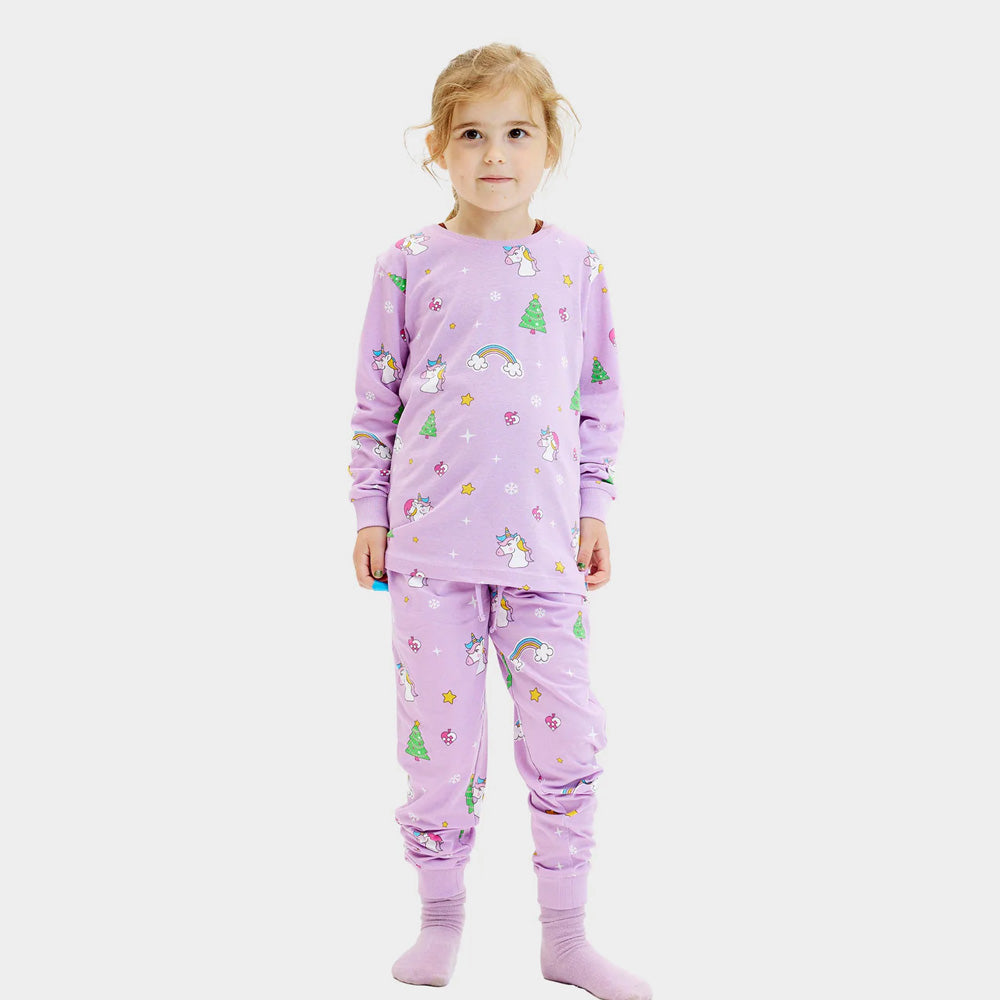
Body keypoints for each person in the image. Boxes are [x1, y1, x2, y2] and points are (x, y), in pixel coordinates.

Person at [347, 43, 651, 1000]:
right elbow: (375, 402)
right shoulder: (408, 264)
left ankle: (566, 936)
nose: (494, 154)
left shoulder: (577, 265)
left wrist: (595, 506)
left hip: (547, 553)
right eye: (471, 134)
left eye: (517, 132)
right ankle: (440, 920)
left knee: (567, 739)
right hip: (428, 550)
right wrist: (368, 512)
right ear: (437, 146)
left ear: (549, 144)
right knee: (438, 749)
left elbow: (599, 398)